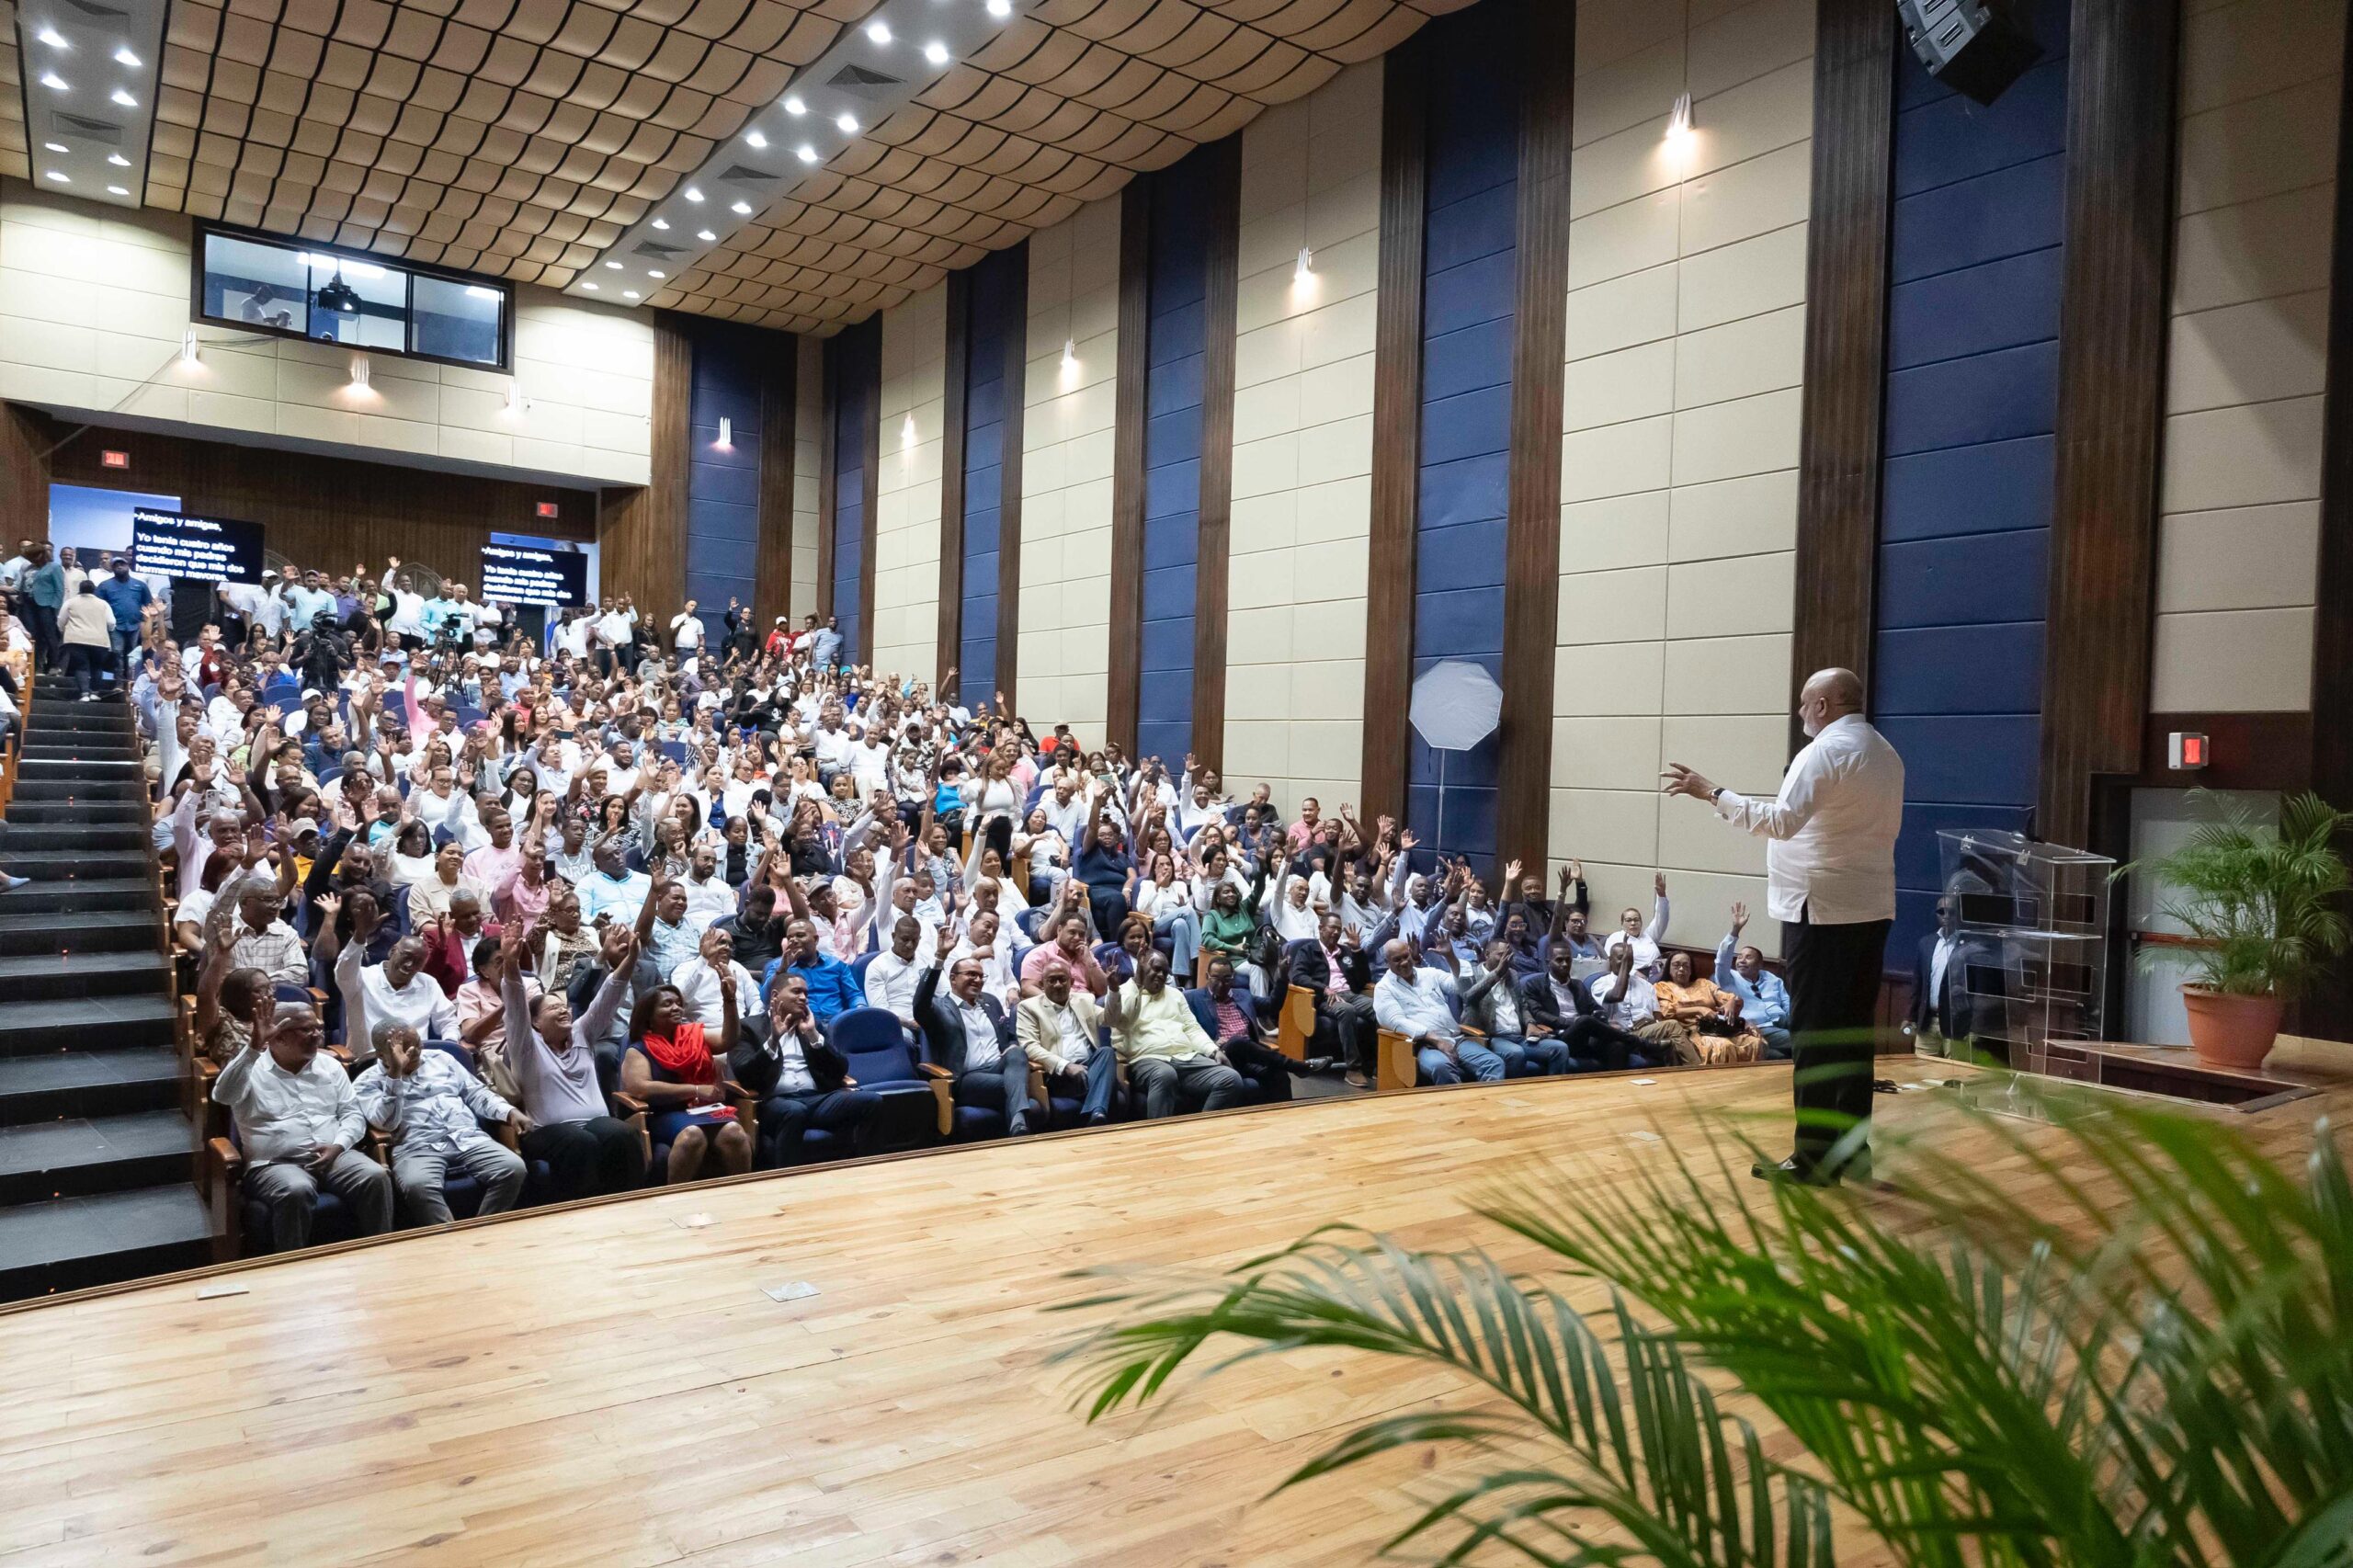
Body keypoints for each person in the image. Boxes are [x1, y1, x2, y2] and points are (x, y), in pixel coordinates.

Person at [1663, 666, 1904, 1183]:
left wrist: (1713, 792)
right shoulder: (1886, 753)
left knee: (1815, 1035)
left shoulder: (1823, 753)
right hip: (1871, 908)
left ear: (1824, 705)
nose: (1799, 713)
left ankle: (1814, 1158)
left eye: (1803, 703)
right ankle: (1853, 1153)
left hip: (1819, 911)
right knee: (1852, 1036)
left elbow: (1780, 821)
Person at [209, 994, 395, 1250]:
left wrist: (339, 1146)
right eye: (306, 1030)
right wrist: (253, 1046)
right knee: (296, 1189)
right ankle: (292, 1266)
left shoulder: (330, 1066)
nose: (317, 1035)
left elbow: (352, 1114)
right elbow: (223, 1095)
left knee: (374, 1176)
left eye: (318, 1028)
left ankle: (381, 1254)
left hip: (335, 1156)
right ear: (277, 1036)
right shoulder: (252, 1070)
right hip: (275, 1164)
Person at [499, 926, 645, 1199]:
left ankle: (632, 1202)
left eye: (563, 1006)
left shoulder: (581, 1034)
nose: (563, 1010)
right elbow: (516, 1004)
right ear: (535, 1023)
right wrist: (510, 962)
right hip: (544, 1131)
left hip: (593, 1123)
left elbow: (608, 996)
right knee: (582, 1143)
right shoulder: (526, 1045)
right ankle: (582, 1211)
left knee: (623, 1134)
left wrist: (631, 959)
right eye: (553, 1008)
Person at [353, 1021, 530, 1225]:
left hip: (467, 1137)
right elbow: (387, 1124)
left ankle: (482, 1230)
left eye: (418, 1043)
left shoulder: (442, 1059)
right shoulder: (366, 1082)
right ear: (382, 1055)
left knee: (514, 1168)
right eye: (407, 1049)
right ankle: (449, 1240)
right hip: (416, 1147)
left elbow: (476, 1093)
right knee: (417, 1185)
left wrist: (509, 1111)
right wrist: (395, 1075)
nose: (417, 1051)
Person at [731, 972, 879, 1165]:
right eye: (796, 992)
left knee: (872, 1100)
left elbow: (840, 1069)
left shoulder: (811, 1024)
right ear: (775, 996)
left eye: (806, 994)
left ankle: (867, 1168)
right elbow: (745, 1074)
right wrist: (773, 1040)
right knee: (795, 1111)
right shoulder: (748, 1027)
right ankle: (787, 1180)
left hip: (817, 1099)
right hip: (775, 1102)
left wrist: (813, 1035)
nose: (803, 998)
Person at [620, 977, 752, 1184]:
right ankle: (676, 1199)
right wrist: (696, 1089)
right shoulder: (638, 1049)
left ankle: (743, 1193)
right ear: (649, 1015)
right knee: (693, 1136)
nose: (677, 1008)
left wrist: (730, 1000)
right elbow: (641, 1088)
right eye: (667, 1004)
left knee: (734, 1132)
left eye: (679, 1003)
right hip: (664, 1113)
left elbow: (729, 1039)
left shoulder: (694, 1035)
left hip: (705, 1109)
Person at [912, 923, 1029, 1135]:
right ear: (953, 979)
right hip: (967, 1078)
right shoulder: (939, 1008)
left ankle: (1018, 1125)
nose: (977, 980)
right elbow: (920, 1002)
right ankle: (1019, 1120)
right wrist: (940, 956)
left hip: (999, 1068)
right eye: (970, 974)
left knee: (1018, 1053)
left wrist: (1011, 1046)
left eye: (980, 976)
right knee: (1017, 1083)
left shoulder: (991, 1002)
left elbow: (1009, 1038)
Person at [1106, 950, 1247, 1118]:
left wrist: (1213, 1050)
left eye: (1165, 972)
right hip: (1147, 1060)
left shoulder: (1176, 995)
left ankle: (1202, 1132)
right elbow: (1118, 1021)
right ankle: (1160, 1138)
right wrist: (1137, 983)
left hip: (1186, 1058)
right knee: (1165, 1074)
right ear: (1142, 967)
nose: (1161, 975)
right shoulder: (1121, 993)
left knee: (1231, 1079)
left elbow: (1191, 1028)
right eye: (1156, 969)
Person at [1372, 938, 1506, 1085]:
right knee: (1441, 1066)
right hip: (1424, 1045)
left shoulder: (1429, 974)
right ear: (1386, 962)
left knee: (1494, 1063)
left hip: (1456, 1040)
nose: (1404, 962)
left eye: (1406, 956)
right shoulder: (1384, 988)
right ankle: (1457, 1106)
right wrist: (1436, 1040)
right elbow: (1395, 1021)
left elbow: (1461, 988)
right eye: (1397, 960)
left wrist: (1451, 957)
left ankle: (1484, 1105)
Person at [1015, 957, 1118, 1125]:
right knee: (1111, 1085)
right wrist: (1066, 1066)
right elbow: (1029, 1046)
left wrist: (1113, 990)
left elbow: (1112, 1019)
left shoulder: (1084, 1000)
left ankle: (1096, 1114)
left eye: (1062, 979)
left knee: (1106, 1052)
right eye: (1051, 980)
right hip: (1058, 1075)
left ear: (1071, 981)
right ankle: (1098, 1109)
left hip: (1090, 1068)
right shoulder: (1028, 1008)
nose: (1057, 984)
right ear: (1042, 984)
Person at [1279, 912, 1376, 1085]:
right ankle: (1353, 1068)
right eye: (1332, 928)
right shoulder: (1308, 950)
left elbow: (1363, 979)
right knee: (1347, 1010)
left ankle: (1375, 1062)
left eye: (1339, 929)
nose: (1336, 932)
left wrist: (1357, 951)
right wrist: (1323, 988)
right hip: (1324, 999)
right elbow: (1298, 976)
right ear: (1321, 928)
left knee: (1379, 1008)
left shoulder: (1345, 951)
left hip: (1350, 994)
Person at [1654, 949, 1765, 1065]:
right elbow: (1667, 1012)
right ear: (1669, 968)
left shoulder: (1704, 983)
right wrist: (1700, 1009)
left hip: (1716, 1027)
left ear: (1691, 969)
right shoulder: (1662, 987)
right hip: (1690, 1031)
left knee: (1755, 1042)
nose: (1681, 969)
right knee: (1723, 1046)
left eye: (1686, 965)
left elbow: (1728, 998)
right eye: (1676, 965)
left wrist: (1732, 1001)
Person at [1716, 902, 1792, 1059]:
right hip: (1758, 1026)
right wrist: (1735, 930)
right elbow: (1722, 960)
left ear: (1759, 964)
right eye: (1739, 957)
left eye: (1748, 957)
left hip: (1782, 1021)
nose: (1742, 961)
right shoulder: (1729, 978)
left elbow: (1787, 1003)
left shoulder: (1771, 978)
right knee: (1801, 1041)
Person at [58, 580, 117, 700]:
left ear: (79, 589)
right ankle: (95, 693)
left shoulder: (70, 602)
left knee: (81, 666)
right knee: (97, 667)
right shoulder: (103, 604)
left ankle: (84, 694)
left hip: (75, 639)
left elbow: (61, 620)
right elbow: (111, 622)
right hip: (99, 640)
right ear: (94, 590)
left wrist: (63, 630)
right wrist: (108, 630)